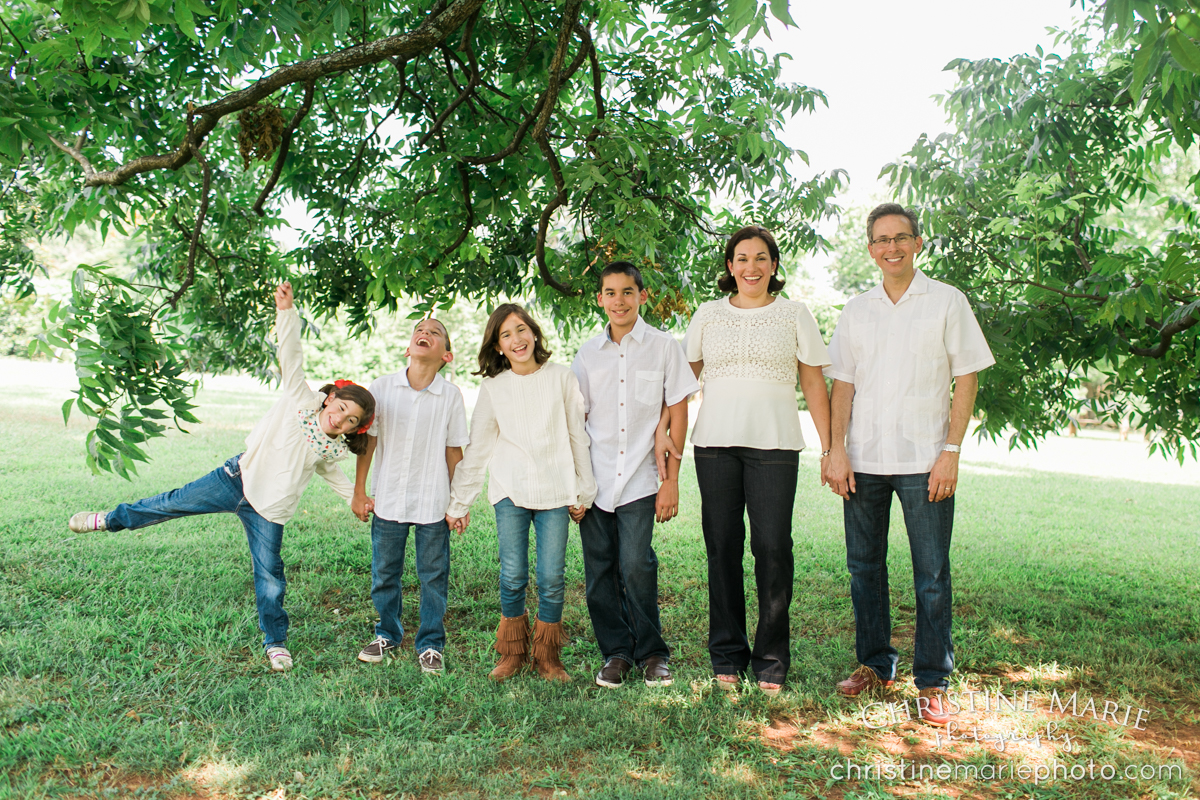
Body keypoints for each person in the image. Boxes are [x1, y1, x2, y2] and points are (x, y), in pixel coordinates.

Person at [68, 282, 374, 672]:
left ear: (353, 429)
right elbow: (291, 356)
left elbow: (334, 476)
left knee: (270, 576)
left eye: (352, 421)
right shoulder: (301, 400)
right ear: (331, 398)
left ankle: (275, 643)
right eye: (342, 407)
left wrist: (357, 498)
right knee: (169, 503)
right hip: (234, 479)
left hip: (270, 510)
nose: (342, 419)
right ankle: (109, 519)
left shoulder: (332, 447)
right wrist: (287, 312)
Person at [823, 203, 995, 726]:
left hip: (926, 462)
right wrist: (835, 448)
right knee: (863, 570)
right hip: (864, 462)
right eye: (881, 239)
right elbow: (843, 385)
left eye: (901, 237)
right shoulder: (857, 309)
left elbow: (967, 377)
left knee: (932, 574)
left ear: (918, 243)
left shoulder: (946, 301)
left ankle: (932, 681)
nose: (891, 247)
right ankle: (875, 665)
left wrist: (951, 451)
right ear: (871, 249)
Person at [677, 226, 833, 696]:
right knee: (721, 548)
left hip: (775, 446)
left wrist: (831, 449)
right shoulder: (707, 315)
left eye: (761, 258)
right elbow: (682, 385)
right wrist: (666, 436)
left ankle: (770, 660)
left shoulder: (795, 315)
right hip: (715, 446)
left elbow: (813, 385)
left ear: (774, 266)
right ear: (730, 266)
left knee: (772, 549)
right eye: (742, 258)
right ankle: (726, 654)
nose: (751, 267)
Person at [445, 304, 597, 682]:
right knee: (512, 575)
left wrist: (584, 490)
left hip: (556, 491)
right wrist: (459, 502)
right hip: (510, 491)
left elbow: (578, 436)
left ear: (534, 332)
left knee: (551, 577)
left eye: (521, 329)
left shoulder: (562, 378)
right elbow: (478, 447)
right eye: (506, 335)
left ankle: (548, 657)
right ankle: (511, 652)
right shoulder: (494, 388)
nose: (516, 339)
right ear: (497, 346)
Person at [571, 262, 700, 689]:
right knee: (599, 571)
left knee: (636, 564)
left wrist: (672, 481)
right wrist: (573, 481)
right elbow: (576, 420)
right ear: (600, 298)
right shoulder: (587, 355)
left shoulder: (664, 347)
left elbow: (678, 410)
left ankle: (652, 652)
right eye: (610, 292)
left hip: (644, 477)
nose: (619, 301)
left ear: (642, 296)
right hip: (594, 478)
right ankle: (617, 652)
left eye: (627, 292)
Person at [350, 317, 469, 674]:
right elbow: (367, 443)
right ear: (407, 348)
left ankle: (431, 643)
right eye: (420, 330)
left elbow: (454, 452)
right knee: (385, 572)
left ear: (446, 355)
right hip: (388, 498)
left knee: (433, 575)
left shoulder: (451, 396)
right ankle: (387, 632)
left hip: (433, 500)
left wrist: (458, 502)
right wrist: (359, 491)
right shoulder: (382, 388)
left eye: (435, 333)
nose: (425, 334)